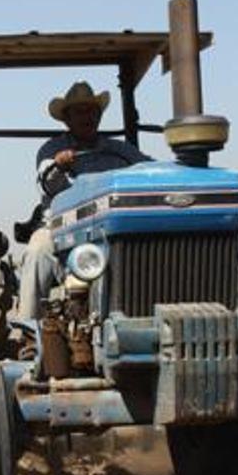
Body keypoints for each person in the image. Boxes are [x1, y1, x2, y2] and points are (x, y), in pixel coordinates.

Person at [17, 81, 152, 320]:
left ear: (99, 116)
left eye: (91, 111)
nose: (86, 116)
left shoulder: (119, 150)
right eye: (79, 112)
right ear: (66, 119)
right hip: (64, 230)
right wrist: (59, 165)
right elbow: (48, 182)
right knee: (38, 251)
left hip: (114, 228)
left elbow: (149, 169)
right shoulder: (52, 149)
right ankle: (28, 332)